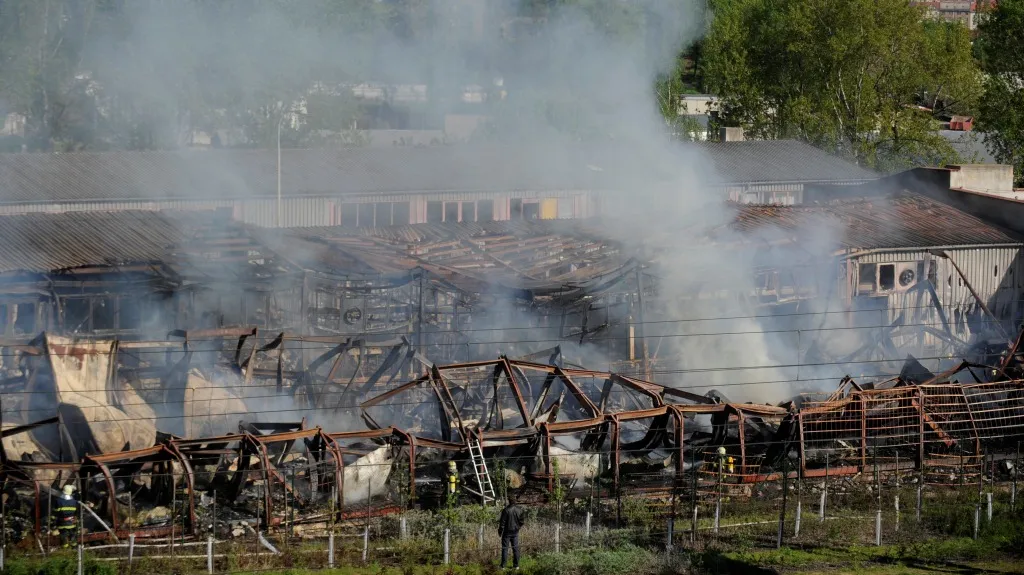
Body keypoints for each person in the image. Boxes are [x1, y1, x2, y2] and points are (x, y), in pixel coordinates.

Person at [498, 494, 526, 570]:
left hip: (507, 532)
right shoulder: (520, 510)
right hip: (515, 532)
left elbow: (502, 523)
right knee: (515, 549)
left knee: (505, 549)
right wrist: (518, 528)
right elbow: (522, 521)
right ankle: (516, 565)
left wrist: (500, 532)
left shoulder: (506, 510)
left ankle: (503, 566)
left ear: (509, 501)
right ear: (515, 501)